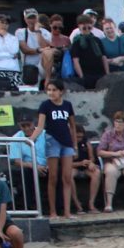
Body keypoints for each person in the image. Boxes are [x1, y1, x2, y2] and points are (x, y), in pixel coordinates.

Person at [28, 78, 78, 219]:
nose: (51, 93)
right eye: (49, 90)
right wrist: (32, 138)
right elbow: (41, 125)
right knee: (53, 177)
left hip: (66, 142)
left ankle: (67, 211)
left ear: (61, 91)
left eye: (54, 90)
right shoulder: (45, 105)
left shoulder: (67, 105)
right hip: (52, 141)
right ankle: (53, 211)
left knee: (67, 177)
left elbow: (73, 126)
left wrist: (74, 144)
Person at [97, 110, 124, 212]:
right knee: (111, 172)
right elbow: (99, 151)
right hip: (111, 160)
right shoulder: (107, 134)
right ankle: (109, 203)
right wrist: (115, 154)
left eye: (120, 122)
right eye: (116, 121)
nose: (117, 124)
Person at [16, 8, 54, 87]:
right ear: (25, 19)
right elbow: (25, 50)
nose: (31, 20)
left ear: (37, 18)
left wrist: (37, 31)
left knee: (48, 52)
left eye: (33, 17)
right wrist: (40, 50)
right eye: (29, 18)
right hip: (29, 68)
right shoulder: (20, 32)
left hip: (44, 67)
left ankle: (48, 80)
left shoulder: (45, 32)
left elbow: (46, 47)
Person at [70, 14, 108, 89]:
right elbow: (75, 61)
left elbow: (103, 57)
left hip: (100, 74)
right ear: (79, 27)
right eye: (84, 27)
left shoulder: (97, 40)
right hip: (86, 75)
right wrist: (82, 77)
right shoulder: (76, 42)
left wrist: (107, 73)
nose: (87, 29)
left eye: (89, 27)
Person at [72, 125, 101, 213]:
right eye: (77, 137)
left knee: (96, 173)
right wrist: (79, 163)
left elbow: (92, 157)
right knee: (68, 176)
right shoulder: (68, 144)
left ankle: (91, 203)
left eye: (81, 136)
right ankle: (77, 203)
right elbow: (66, 163)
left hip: (86, 166)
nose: (79, 139)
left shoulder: (86, 143)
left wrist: (90, 162)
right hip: (73, 166)